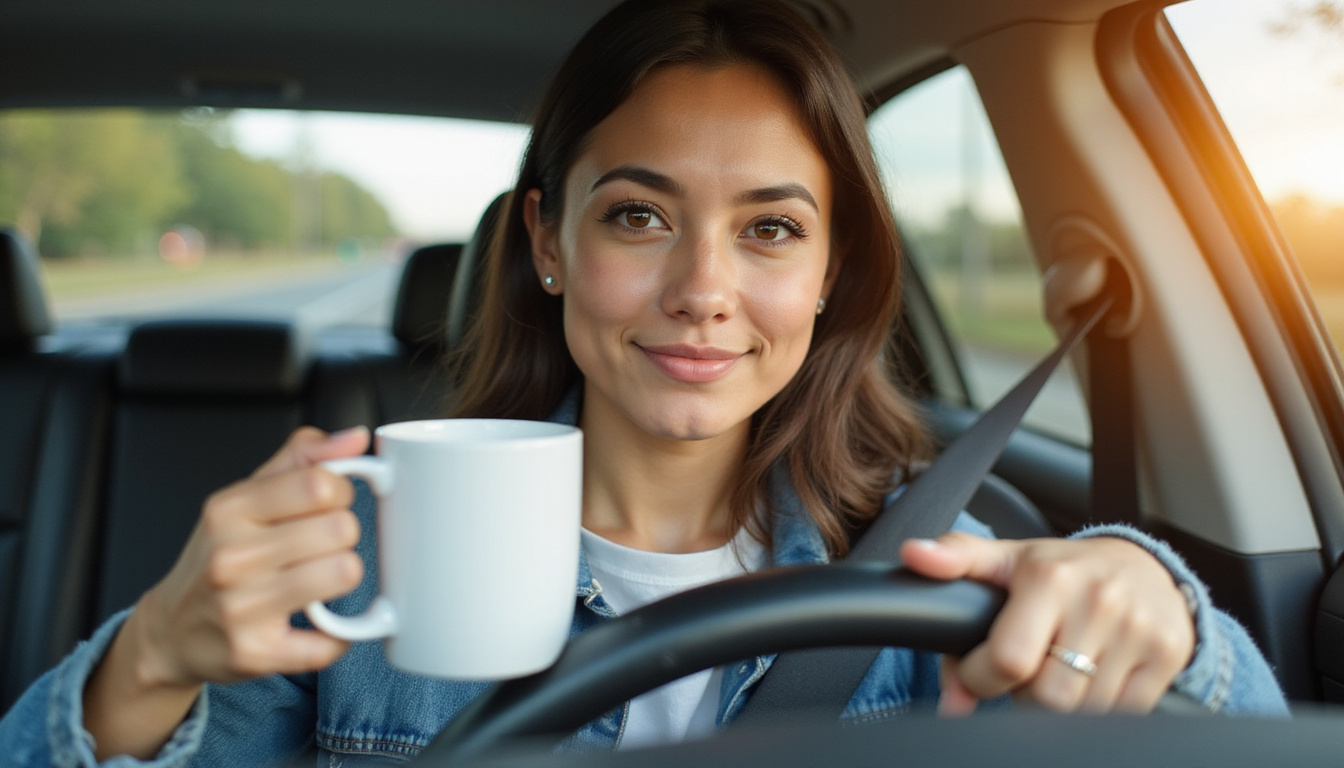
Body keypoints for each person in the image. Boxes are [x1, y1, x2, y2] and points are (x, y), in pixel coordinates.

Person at [0, 0, 1286, 764]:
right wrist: (155, 653)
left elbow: (1241, 733)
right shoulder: (353, 560)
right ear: (550, 243)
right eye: (638, 217)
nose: (703, 291)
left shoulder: (949, 558)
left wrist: (1165, 617)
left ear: (835, 271)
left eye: (773, 229)